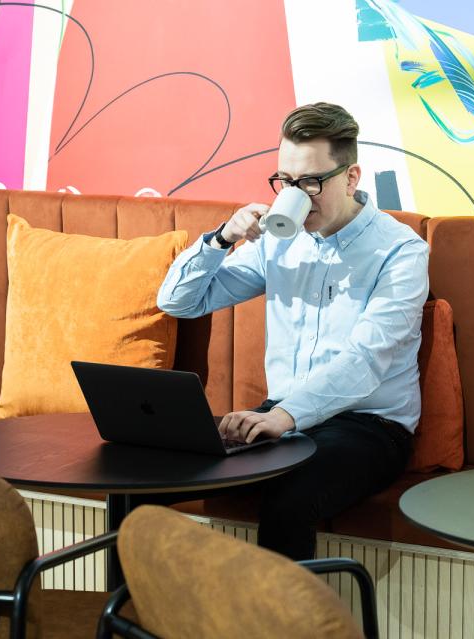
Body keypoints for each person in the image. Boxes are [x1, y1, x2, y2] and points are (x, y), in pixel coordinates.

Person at [157, 102, 429, 560]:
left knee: (289, 501)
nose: (296, 194)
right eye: (285, 180)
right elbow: (180, 302)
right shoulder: (282, 243)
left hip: (368, 427)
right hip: (282, 417)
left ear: (351, 177)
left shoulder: (400, 251)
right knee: (151, 472)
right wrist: (223, 238)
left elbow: (364, 362)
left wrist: (283, 418)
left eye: (310, 182)